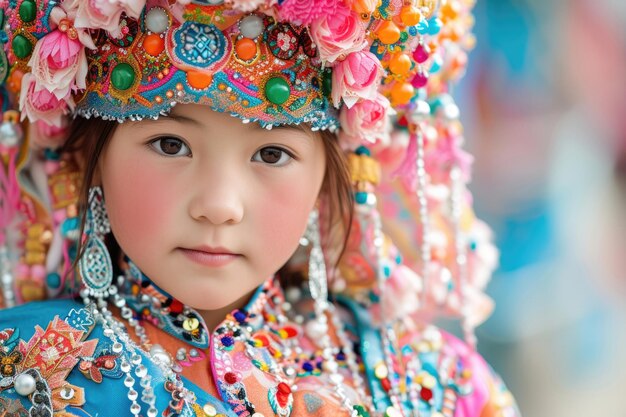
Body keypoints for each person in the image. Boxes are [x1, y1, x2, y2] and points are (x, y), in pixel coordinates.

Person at [0, 1, 520, 416]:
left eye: (272, 154)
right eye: (169, 144)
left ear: (331, 175)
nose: (219, 206)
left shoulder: (441, 385)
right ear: (90, 157)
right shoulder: (28, 369)